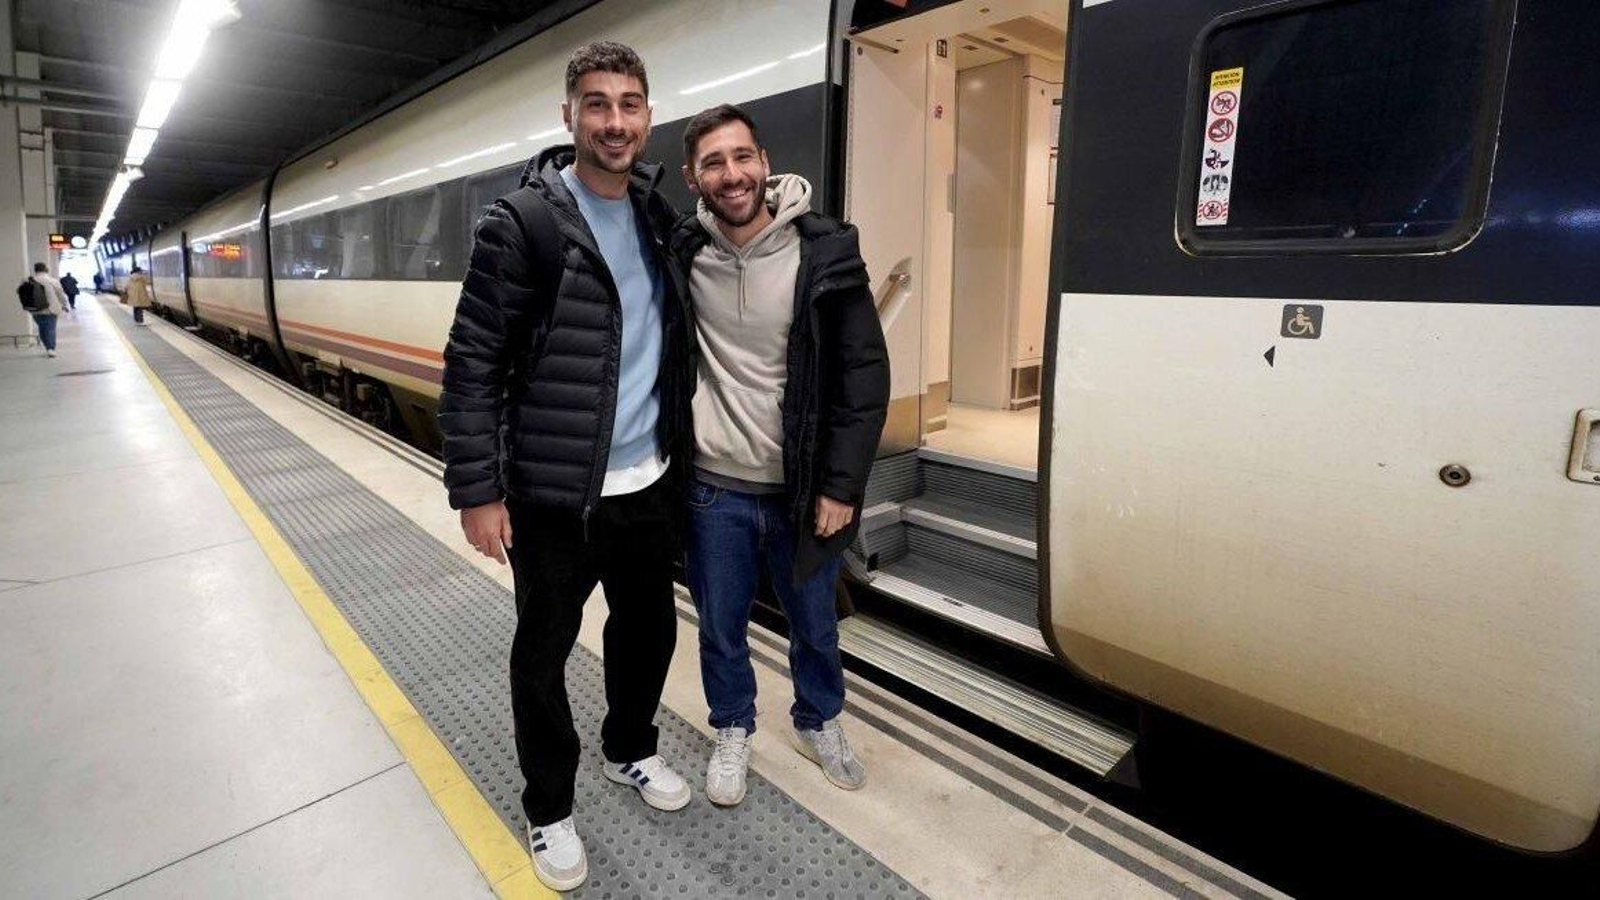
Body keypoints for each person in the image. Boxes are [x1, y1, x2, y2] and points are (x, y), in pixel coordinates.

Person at [438, 41, 693, 893]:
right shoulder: (526, 223)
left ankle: (630, 749)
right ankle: (549, 808)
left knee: (648, 630)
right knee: (542, 655)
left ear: (647, 116)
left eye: (629, 103)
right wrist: (478, 490)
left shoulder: (659, 218)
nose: (614, 120)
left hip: (647, 482)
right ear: (569, 117)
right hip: (553, 494)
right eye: (596, 103)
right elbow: (472, 360)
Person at [672, 105, 889, 807]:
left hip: (801, 491)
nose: (731, 174)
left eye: (741, 157)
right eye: (713, 162)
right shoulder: (683, 254)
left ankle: (818, 720)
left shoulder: (824, 252)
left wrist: (841, 484)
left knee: (816, 627)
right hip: (713, 489)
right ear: (692, 177)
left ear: (764, 163)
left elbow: (862, 378)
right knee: (720, 627)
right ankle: (733, 727)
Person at [17, 262, 67, 357]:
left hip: (35, 309)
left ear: (35, 270)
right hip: (50, 309)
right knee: (50, 328)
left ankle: (47, 346)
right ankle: (50, 348)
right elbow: (60, 294)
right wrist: (65, 304)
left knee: (42, 328)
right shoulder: (52, 281)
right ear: (46, 270)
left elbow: (20, 292)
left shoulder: (27, 280)